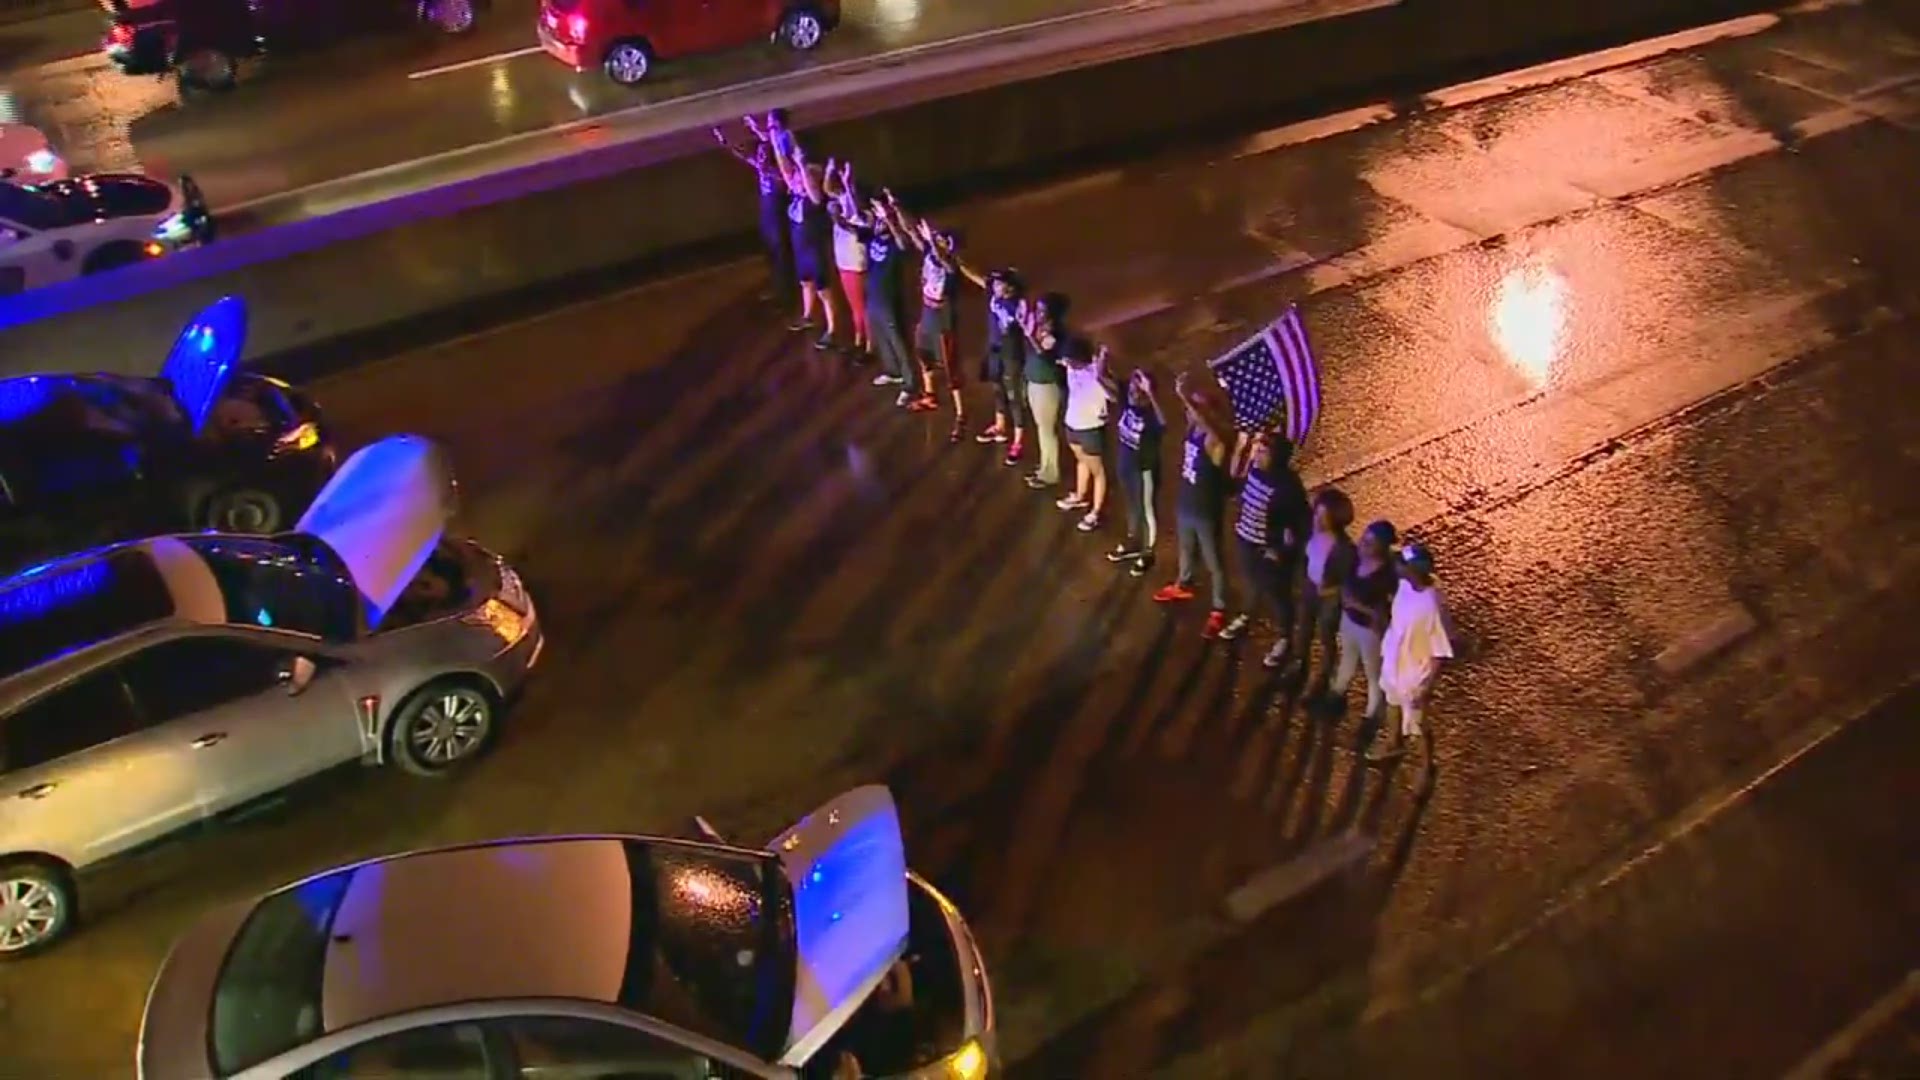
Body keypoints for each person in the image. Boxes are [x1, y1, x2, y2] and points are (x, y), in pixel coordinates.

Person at [1153, 371, 1234, 638]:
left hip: (1205, 510)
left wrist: (1186, 397)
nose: (1190, 411)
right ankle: (1184, 583)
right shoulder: (1193, 429)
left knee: (1214, 560)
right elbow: (1191, 417)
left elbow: (1209, 426)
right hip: (1187, 503)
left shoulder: (1216, 441)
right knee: (1186, 550)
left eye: (1197, 407)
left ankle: (1219, 607)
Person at [1219, 432, 1310, 661]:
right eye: (1257, 450)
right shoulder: (1254, 470)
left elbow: (1301, 524)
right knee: (1250, 583)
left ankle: (1284, 637)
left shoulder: (1288, 487)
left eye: (1262, 452)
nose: (1256, 455)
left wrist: (1281, 550)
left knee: (1278, 594)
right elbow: (1234, 487)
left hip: (1268, 552)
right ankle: (1247, 614)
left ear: (1276, 457)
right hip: (1246, 541)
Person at [1371, 542, 1456, 779]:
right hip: (1394, 660)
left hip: (1414, 671)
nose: (1397, 565)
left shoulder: (1431, 606)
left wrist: (1426, 687)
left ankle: (1426, 766)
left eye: (1402, 563)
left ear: (1414, 571)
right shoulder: (1404, 585)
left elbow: (1439, 651)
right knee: (1392, 702)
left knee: (1418, 723)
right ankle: (1393, 743)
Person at [768, 134, 840, 350]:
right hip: (802, 251)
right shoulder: (797, 198)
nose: (798, 180)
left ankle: (833, 329)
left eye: (803, 177)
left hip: (815, 250)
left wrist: (801, 164)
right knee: (805, 283)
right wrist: (777, 139)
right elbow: (786, 171)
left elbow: (812, 189)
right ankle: (808, 315)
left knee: (823, 291)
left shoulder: (816, 199)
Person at [1323, 519, 1398, 724]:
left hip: (1369, 632)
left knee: (1372, 673)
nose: (1363, 544)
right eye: (1364, 538)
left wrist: (1355, 604)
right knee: (1347, 659)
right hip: (1349, 621)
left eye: (1370, 542)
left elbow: (1383, 613)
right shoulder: (1355, 558)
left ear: (1382, 548)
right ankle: (1336, 697)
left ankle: (1372, 715)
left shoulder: (1387, 576)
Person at [711, 120, 791, 304]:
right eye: (759, 155)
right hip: (768, 215)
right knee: (770, 252)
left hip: (777, 218)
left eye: (763, 155)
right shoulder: (763, 170)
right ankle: (776, 287)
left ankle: (784, 293)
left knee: (780, 255)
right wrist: (723, 138)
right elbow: (740, 153)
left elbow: (770, 145)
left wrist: (756, 128)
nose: (759, 158)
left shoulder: (778, 174)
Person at [956, 263, 1029, 463]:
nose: (994, 286)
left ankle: (1018, 441)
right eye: (995, 283)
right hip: (994, 350)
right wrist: (960, 263)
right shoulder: (994, 293)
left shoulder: (1018, 305)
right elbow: (976, 277)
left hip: (1012, 355)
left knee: (1014, 397)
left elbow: (1026, 326)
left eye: (1000, 283)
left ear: (1010, 288)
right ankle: (1000, 427)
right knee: (997, 389)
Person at [1294, 488, 1356, 684]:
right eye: (1317, 514)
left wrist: (1329, 591)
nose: (1317, 520)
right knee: (1303, 629)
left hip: (1329, 597)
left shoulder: (1345, 549)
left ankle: (1326, 672)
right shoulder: (1311, 533)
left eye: (1323, 516)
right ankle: (1299, 663)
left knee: (1326, 635)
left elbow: (1348, 583)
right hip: (1310, 588)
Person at [1108, 367, 1166, 577]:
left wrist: (1151, 392)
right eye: (1132, 386)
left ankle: (1148, 552)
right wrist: (1103, 361)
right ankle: (1134, 540)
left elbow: (1164, 423)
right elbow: (1101, 378)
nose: (1132, 391)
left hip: (1144, 469)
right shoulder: (1126, 402)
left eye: (1137, 389)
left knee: (1147, 509)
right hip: (1126, 464)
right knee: (1131, 504)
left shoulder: (1151, 416)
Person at [863, 191, 918, 395]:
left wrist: (890, 216)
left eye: (882, 219)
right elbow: (853, 219)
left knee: (898, 339)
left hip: (889, 297)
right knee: (881, 335)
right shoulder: (872, 236)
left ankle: (910, 383)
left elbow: (904, 241)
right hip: (874, 294)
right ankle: (893, 371)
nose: (879, 222)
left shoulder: (897, 242)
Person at [1059, 340, 1117, 532]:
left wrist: (1102, 370)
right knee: (1081, 461)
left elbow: (1115, 396)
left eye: (1070, 358)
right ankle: (1080, 495)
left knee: (1098, 472)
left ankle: (1096, 511)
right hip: (1072, 425)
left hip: (1091, 429)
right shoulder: (1071, 367)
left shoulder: (1096, 374)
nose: (1067, 361)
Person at [1017, 292, 1070, 489]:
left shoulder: (1056, 332)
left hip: (1046, 385)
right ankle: (1045, 466)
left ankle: (1051, 472)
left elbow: (1044, 354)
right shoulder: (1040, 328)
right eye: (1037, 309)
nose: (1038, 313)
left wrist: (1029, 334)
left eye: (1042, 310)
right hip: (1034, 381)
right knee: (1042, 428)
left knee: (1047, 429)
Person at [825, 162, 871, 361]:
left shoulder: (864, 217)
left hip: (856, 267)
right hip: (845, 265)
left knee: (862, 308)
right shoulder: (843, 206)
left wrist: (847, 181)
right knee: (855, 308)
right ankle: (858, 340)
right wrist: (829, 171)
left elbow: (851, 215)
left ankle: (869, 346)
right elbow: (828, 191)